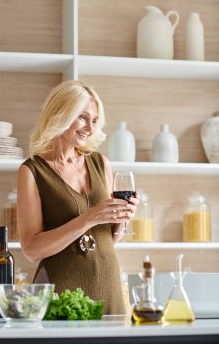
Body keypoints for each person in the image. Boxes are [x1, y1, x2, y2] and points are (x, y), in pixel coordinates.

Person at [17, 80, 139, 314]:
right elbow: (31, 249)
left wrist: (123, 219)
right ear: (60, 114)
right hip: (61, 289)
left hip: (107, 283)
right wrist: (89, 218)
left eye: (94, 120)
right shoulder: (32, 170)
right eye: (82, 117)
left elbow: (109, 238)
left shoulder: (100, 163)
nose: (90, 128)